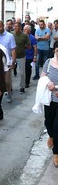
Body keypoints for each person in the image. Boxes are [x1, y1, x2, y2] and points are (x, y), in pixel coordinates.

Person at [40, 40, 58, 168]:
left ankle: (56, 152)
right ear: (54, 51)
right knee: (48, 122)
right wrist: (48, 83)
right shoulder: (48, 62)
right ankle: (51, 135)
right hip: (49, 99)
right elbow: (42, 77)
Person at [0, 19, 16, 103]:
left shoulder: (10, 36)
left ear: (3, 26)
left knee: (7, 80)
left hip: (7, 61)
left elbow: (13, 50)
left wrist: (13, 62)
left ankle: (9, 93)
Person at [12, 22, 31, 93]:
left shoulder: (24, 35)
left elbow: (29, 46)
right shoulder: (11, 34)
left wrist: (23, 47)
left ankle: (22, 87)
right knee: (10, 73)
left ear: (20, 27)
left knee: (22, 72)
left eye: (17, 26)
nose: (15, 28)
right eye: (15, 26)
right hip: (12, 56)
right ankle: (10, 87)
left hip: (21, 56)